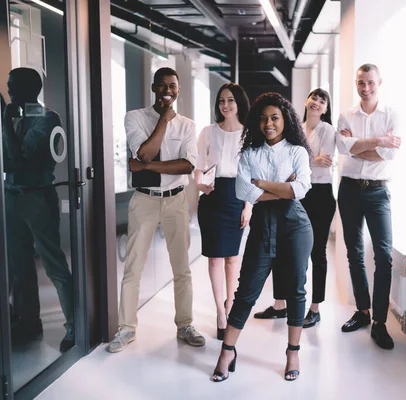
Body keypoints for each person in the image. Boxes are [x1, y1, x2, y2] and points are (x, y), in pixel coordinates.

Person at [211, 92, 313, 382]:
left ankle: (293, 352)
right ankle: (227, 351)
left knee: (296, 290)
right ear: (257, 121)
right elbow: (244, 193)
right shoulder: (249, 153)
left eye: (275, 117)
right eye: (264, 118)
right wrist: (282, 187)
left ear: (286, 120)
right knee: (246, 293)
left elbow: (301, 189)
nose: (269, 123)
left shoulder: (297, 151)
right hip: (263, 227)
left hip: (295, 225)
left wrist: (263, 185)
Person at [107, 67, 204, 353]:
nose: (167, 90)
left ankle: (185, 324)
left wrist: (145, 167)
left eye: (172, 85)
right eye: (162, 85)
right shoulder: (135, 117)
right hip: (145, 200)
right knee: (133, 266)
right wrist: (163, 120)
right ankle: (126, 329)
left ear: (178, 89)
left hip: (175, 199)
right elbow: (146, 151)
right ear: (153, 87)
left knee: (181, 268)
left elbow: (187, 165)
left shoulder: (187, 125)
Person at [2, 67, 75, 352]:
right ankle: (29, 320)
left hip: (37, 198)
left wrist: (7, 125)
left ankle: (73, 326)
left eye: (12, 85)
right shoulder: (15, 116)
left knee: (54, 264)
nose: (8, 91)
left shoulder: (47, 118)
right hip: (12, 195)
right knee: (19, 265)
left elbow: (20, 160)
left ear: (29, 88)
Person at [253, 88, 336, 328]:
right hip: (295, 192)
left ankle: (315, 308)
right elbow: (288, 162)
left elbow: (324, 161)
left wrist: (303, 163)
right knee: (283, 249)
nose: (317, 103)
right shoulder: (295, 127)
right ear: (306, 101)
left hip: (320, 194)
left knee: (317, 252)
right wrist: (310, 161)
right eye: (314, 98)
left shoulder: (327, 130)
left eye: (322, 101)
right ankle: (280, 305)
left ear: (326, 108)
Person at [336, 64, 401, 350]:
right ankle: (362, 311)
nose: (366, 88)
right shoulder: (345, 114)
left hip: (378, 193)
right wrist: (377, 141)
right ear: (356, 83)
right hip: (349, 189)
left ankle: (380, 322)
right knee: (354, 252)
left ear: (379, 83)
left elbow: (389, 154)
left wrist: (358, 145)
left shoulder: (392, 114)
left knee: (384, 255)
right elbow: (344, 148)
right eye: (361, 83)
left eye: (370, 82)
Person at [194, 83, 251, 340]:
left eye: (230, 100)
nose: (225, 105)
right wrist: (199, 184)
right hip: (213, 197)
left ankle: (231, 306)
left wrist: (249, 205)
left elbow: (253, 174)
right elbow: (197, 164)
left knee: (232, 259)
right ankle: (219, 312)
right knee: (215, 258)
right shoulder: (208, 132)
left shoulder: (249, 135)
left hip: (238, 196)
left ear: (239, 103)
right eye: (221, 101)